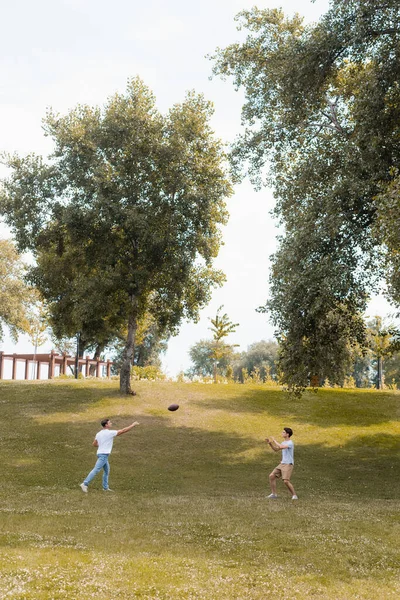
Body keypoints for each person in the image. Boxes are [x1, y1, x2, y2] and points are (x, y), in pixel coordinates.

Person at [80, 418, 139, 493]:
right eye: (109, 423)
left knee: (106, 471)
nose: (111, 423)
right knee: (96, 469)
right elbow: (123, 430)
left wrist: (102, 444)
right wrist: (133, 425)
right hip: (103, 455)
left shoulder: (99, 433)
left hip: (100, 454)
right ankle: (85, 483)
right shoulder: (109, 433)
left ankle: (105, 488)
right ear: (106, 425)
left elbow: (94, 444)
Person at [265, 427, 298, 500]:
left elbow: (280, 446)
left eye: (283, 432)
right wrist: (270, 443)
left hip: (288, 464)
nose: (282, 433)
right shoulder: (283, 442)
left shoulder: (290, 443)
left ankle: (294, 495)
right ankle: (274, 494)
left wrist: (274, 440)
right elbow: (276, 449)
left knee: (286, 481)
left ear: (287, 434)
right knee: (271, 476)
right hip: (282, 464)